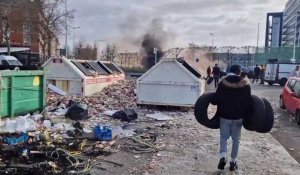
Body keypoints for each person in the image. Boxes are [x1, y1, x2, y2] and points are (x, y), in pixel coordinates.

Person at [211, 65, 252, 171]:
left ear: (230, 71)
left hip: (224, 116)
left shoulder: (222, 83)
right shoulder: (245, 84)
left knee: (223, 137)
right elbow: (248, 102)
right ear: (239, 72)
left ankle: (223, 157)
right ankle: (233, 162)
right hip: (238, 117)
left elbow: (215, 100)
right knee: (236, 140)